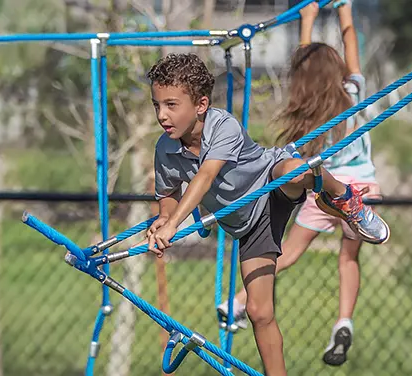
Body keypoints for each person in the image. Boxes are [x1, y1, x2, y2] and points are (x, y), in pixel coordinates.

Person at [145, 48, 388, 374]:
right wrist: (164, 216)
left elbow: (205, 176)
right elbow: (168, 192)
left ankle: (344, 198)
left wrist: (174, 223)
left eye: (171, 105)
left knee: (298, 170)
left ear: (201, 105)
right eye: (157, 105)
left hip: (270, 182)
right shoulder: (166, 148)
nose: (162, 114)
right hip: (248, 224)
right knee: (260, 311)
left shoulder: (222, 126)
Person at [217, 0, 381, 367]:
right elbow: (351, 46)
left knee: (287, 251)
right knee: (348, 257)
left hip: (325, 187)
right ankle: (344, 320)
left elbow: (302, 67)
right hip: (361, 188)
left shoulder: (308, 110)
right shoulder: (352, 94)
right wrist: (345, 12)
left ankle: (240, 300)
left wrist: (306, 19)